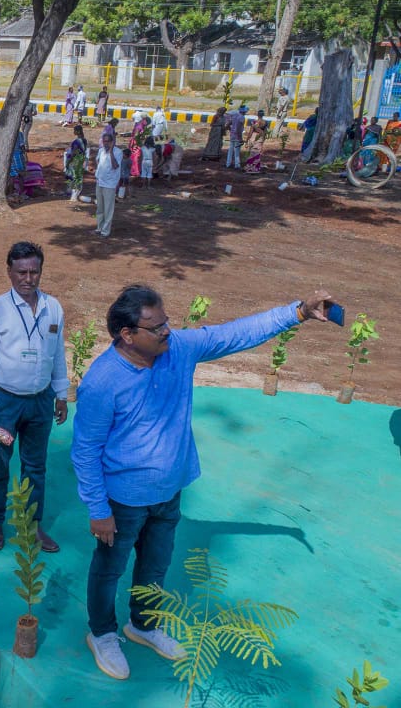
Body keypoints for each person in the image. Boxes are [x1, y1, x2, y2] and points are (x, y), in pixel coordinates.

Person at [72, 285, 335, 681]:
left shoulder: (178, 348)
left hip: (170, 492)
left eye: (167, 323)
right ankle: (103, 633)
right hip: (123, 501)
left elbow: (233, 333)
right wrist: (98, 510)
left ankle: (143, 625)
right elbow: (85, 450)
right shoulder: (102, 381)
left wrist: (296, 312)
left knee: (156, 566)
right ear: (127, 334)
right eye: (157, 327)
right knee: (109, 569)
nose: (167, 332)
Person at [0, 241, 68, 553]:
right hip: (5, 403)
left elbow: (59, 354)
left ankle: (31, 524)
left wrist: (61, 394)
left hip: (41, 401)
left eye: (34, 272)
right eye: (21, 272)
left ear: (41, 272)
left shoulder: (54, 308)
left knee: (36, 466)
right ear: (9, 272)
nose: (28, 278)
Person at [93, 132, 121, 238]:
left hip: (110, 184)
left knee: (108, 209)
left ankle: (105, 231)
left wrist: (111, 152)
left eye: (107, 141)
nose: (105, 143)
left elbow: (115, 166)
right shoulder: (101, 151)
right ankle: (99, 228)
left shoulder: (118, 152)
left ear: (112, 142)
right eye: (104, 141)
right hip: (100, 182)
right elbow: (98, 162)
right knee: (100, 207)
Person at [65, 125, 88, 202]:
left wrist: (68, 162)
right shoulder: (84, 140)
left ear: (77, 131)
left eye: (74, 130)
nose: (73, 132)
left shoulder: (76, 142)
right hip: (81, 161)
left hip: (75, 161)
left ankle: (73, 196)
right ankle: (76, 194)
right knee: (78, 177)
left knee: (74, 178)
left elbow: (74, 152)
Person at [225, 104, 246, 169]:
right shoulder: (242, 117)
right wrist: (240, 138)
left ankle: (228, 164)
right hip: (237, 136)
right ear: (244, 111)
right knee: (237, 151)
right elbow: (239, 129)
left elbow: (228, 124)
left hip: (232, 135)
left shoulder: (234, 116)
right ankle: (237, 165)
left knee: (230, 149)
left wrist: (230, 130)